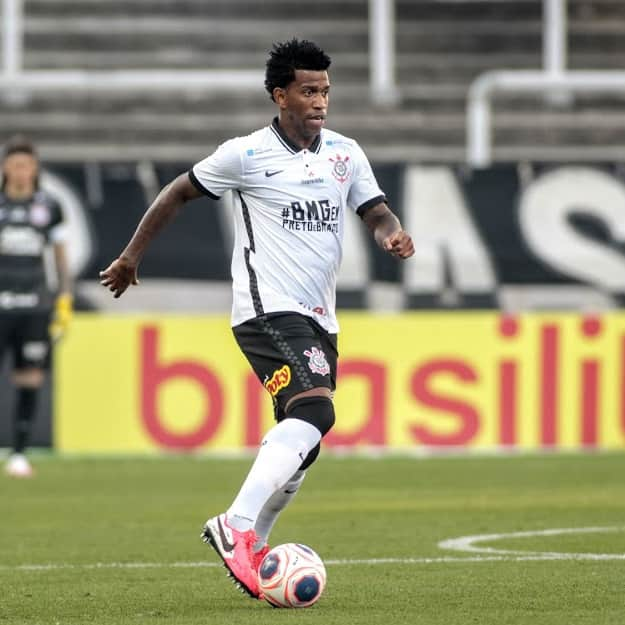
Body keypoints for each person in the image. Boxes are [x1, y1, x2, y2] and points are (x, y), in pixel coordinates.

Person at [99, 38, 414, 598]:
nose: (320, 101)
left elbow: (376, 210)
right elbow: (175, 193)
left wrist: (391, 234)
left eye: (325, 91)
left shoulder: (345, 152)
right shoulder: (244, 155)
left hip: (320, 317)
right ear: (281, 95)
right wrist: (130, 257)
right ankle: (235, 526)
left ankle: (257, 545)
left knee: (305, 438)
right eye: (308, 91)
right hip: (266, 309)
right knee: (316, 411)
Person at [0, 136, 73, 477]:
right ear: (5, 168)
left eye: (26, 165)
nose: (20, 172)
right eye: (14, 165)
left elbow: (59, 256)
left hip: (34, 305)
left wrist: (64, 297)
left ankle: (18, 452)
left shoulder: (49, 206)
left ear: (34, 169)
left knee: (29, 377)